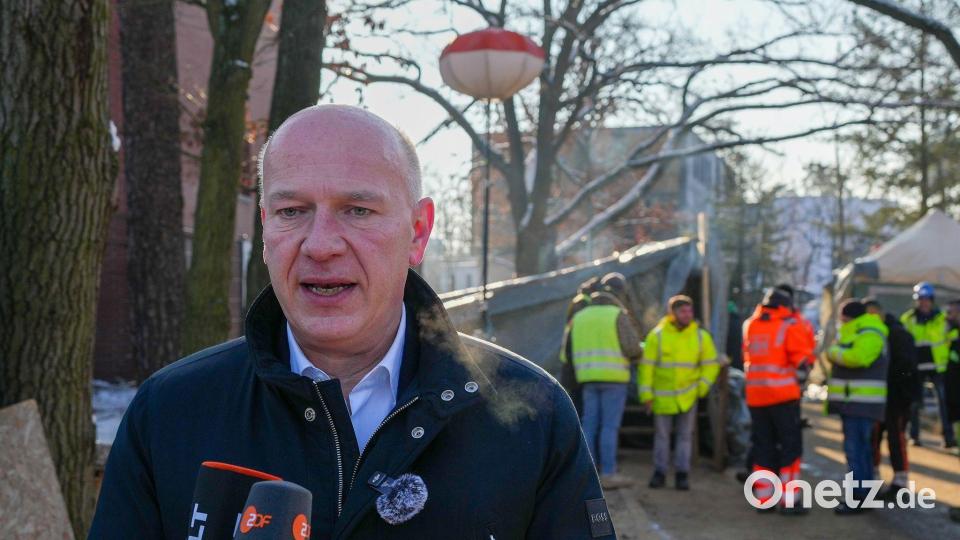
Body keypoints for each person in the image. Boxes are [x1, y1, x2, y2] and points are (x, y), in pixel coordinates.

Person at [90, 106, 610, 539]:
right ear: (266, 228)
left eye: (357, 210)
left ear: (418, 232)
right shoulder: (171, 412)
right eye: (293, 210)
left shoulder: (531, 415)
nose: (320, 244)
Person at [742, 288, 814, 515]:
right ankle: (789, 501)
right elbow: (803, 362)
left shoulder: (750, 325)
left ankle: (763, 498)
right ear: (786, 305)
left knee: (763, 447)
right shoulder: (789, 325)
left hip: (756, 397)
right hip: (783, 397)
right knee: (790, 449)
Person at [562, 290, 642, 489]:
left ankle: (586, 472)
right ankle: (608, 473)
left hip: (587, 377)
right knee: (609, 427)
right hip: (614, 378)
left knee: (589, 425)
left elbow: (568, 352)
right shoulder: (616, 314)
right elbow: (632, 347)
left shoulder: (578, 318)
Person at [640, 295, 720, 491]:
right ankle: (660, 473)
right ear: (672, 313)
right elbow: (646, 368)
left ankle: (682, 475)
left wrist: (701, 387)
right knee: (662, 436)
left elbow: (711, 364)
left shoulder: (701, 336)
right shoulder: (657, 336)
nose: (688, 315)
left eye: (690, 311)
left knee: (685, 436)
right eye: (683, 311)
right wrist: (646, 395)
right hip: (662, 396)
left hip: (688, 395)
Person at [826, 299, 889, 515]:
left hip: (862, 404)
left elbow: (859, 358)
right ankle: (863, 496)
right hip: (855, 404)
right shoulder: (857, 332)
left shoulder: (869, 332)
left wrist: (833, 353)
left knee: (856, 451)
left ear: (847, 317)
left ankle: (858, 497)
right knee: (861, 451)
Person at [864, 297, 919, 496]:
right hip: (879, 396)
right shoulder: (875, 333)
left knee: (896, 438)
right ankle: (875, 477)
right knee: (874, 437)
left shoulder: (897, 334)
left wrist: (903, 396)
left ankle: (900, 481)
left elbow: (906, 367)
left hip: (896, 398)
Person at [902, 281, 954, 447]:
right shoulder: (908, 319)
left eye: (927, 299)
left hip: (938, 367)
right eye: (921, 298)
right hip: (916, 367)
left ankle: (949, 438)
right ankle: (914, 436)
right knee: (915, 404)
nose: (924, 302)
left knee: (944, 403)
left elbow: (951, 338)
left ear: (932, 300)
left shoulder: (942, 319)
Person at [945, 299, 960, 448]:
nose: (951, 314)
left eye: (954, 311)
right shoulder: (947, 328)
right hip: (949, 376)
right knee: (952, 411)